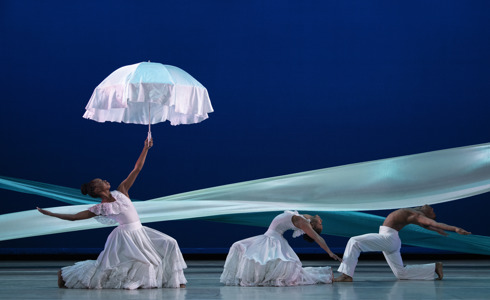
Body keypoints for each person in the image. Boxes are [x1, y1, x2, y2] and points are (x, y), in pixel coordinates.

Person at [37, 138, 187, 289]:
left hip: (140, 231)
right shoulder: (100, 208)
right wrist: (51, 214)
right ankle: (64, 274)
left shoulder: (122, 190)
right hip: (125, 237)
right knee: (108, 267)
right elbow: (75, 217)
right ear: (97, 190)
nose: (106, 180)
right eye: (101, 180)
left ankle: (176, 279)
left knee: (170, 242)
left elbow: (137, 169)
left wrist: (145, 149)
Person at [334, 204, 471, 282]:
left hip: (388, 238)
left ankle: (346, 275)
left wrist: (455, 229)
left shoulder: (416, 215)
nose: (432, 209)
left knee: (354, 241)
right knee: (401, 274)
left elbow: (432, 223)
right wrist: (436, 230)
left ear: (426, 214)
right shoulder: (415, 211)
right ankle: (434, 267)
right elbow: (429, 225)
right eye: (432, 210)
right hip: (392, 240)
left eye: (432, 211)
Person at [220, 210, 342, 286]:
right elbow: (314, 223)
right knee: (258, 256)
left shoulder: (303, 221)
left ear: (313, 225)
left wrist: (330, 252)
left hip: (273, 238)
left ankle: (324, 275)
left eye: (320, 223)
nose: (321, 220)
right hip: (270, 236)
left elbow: (317, 237)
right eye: (321, 223)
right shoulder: (307, 218)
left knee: (263, 259)